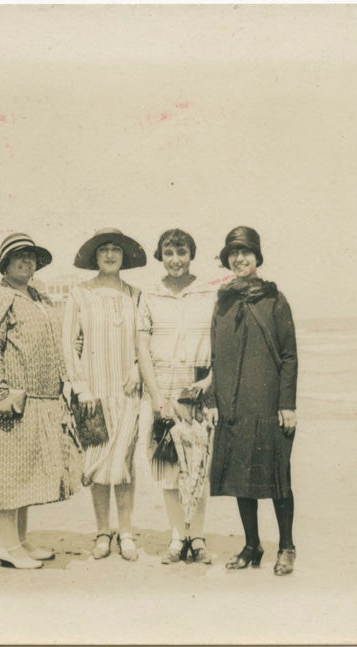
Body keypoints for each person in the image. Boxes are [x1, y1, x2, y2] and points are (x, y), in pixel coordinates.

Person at [0, 232, 77, 569]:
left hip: (41, 400)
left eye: (31, 256)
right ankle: (7, 545)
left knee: (26, 474)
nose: (26, 262)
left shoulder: (37, 298)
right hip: (14, 401)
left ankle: (20, 540)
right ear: (5, 264)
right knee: (9, 475)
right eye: (19, 256)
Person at [204, 226, 299, 576]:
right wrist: (214, 401)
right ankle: (252, 545)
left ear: (257, 258)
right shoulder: (223, 301)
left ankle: (287, 546)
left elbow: (289, 355)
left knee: (277, 478)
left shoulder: (275, 298)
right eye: (233, 253)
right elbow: (215, 353)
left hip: (269, 403)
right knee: (240, 479)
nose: (239, 258)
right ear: (227, 259)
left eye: (245, 252)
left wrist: (287, 405)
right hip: (233, 402)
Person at [63, 228, 146, 562]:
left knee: (124, 461)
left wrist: (138, 368)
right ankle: (102, 531)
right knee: (97, 462)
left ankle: (125, 532)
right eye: (103, 251)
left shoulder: (136, 295)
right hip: (92, 394)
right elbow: (69, 342)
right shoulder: (79, 294)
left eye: (116, 250)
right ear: (94, 257)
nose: (110, 255)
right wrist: (79, 386)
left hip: (128, 391)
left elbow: (145, 340)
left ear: (123, 256)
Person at [136, 228, 217, 564]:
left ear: (191, 255)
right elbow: (141, 347)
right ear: (161, 256)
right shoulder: (149, 296)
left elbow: (223, 342)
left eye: (181, 253)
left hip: (199, 391)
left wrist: (211, 380)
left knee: (198, 467)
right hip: (163, 391)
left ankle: (196, 538)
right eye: (169, 253)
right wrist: (156, 396)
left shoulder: (210, 293)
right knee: (169, 468)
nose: (175, 260)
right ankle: (176, 537)